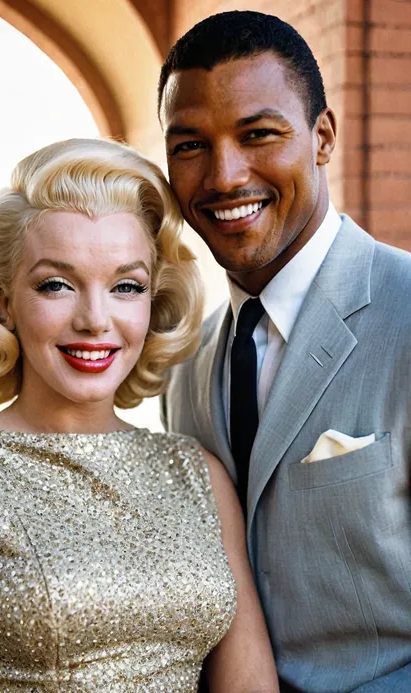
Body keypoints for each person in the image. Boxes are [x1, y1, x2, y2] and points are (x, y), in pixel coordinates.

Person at [0, 138, 279, 693]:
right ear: (3, 302)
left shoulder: (198, 475)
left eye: (126, 286)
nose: (96, 319)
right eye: (56, 284)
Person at [159, 10, 411, 693]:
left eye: (258, 134)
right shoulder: (179, 366)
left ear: (322, 137)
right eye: (189, 146)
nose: (224, 174)